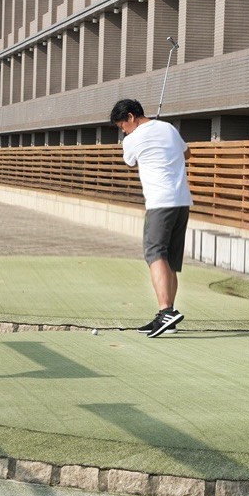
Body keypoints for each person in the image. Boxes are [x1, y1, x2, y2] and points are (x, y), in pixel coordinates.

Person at [110, 98, 192, 338]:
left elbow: (129, 161)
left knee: (155, 253)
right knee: (170, 260)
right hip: (182, 201)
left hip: (160, 203)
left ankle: (166, 311)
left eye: (122, 125)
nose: (122, 130)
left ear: (131, 117)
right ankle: (168, 316)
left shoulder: (132, 139)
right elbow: (188, 154)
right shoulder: (168, 128)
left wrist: (138, 139)